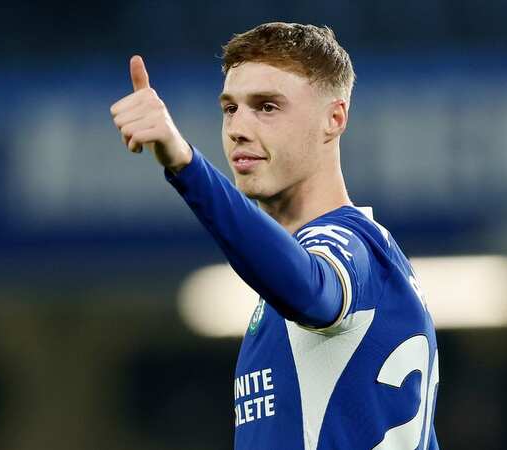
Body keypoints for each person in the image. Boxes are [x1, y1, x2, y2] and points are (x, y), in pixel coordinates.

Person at [110, 22, 440, 450]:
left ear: (334, 119)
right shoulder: (359, 266)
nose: (237, 128)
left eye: (266, 107)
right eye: (230, 108)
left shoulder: (350, 245)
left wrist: (185, 163)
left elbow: (311, 287)